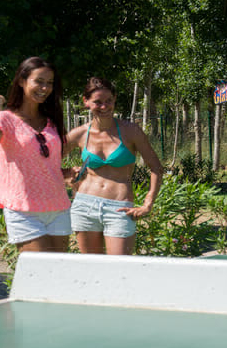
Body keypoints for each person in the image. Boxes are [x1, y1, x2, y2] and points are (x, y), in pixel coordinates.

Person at [0, 56, 71, 252]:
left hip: (57, 206)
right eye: (39, 81)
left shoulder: (51, 120)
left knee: (59, 275)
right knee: (39, 273)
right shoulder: (5, 119)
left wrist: (67, 173)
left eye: (49, 83)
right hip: (23, 209)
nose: (45, 88)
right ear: (21, 81)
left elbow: (44, 164)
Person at [65, 77, 164, 255]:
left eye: (109, 101)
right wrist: (66, 175)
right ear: (86, 102)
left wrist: (148, 204)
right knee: (91, 269)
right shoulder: (79, 133)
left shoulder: (130, 131)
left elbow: (156, 167)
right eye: (98, 102)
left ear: (115, 99)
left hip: (119, 208)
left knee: (119, 270)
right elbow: (46, 163)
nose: (104, 107)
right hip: (84, 206)